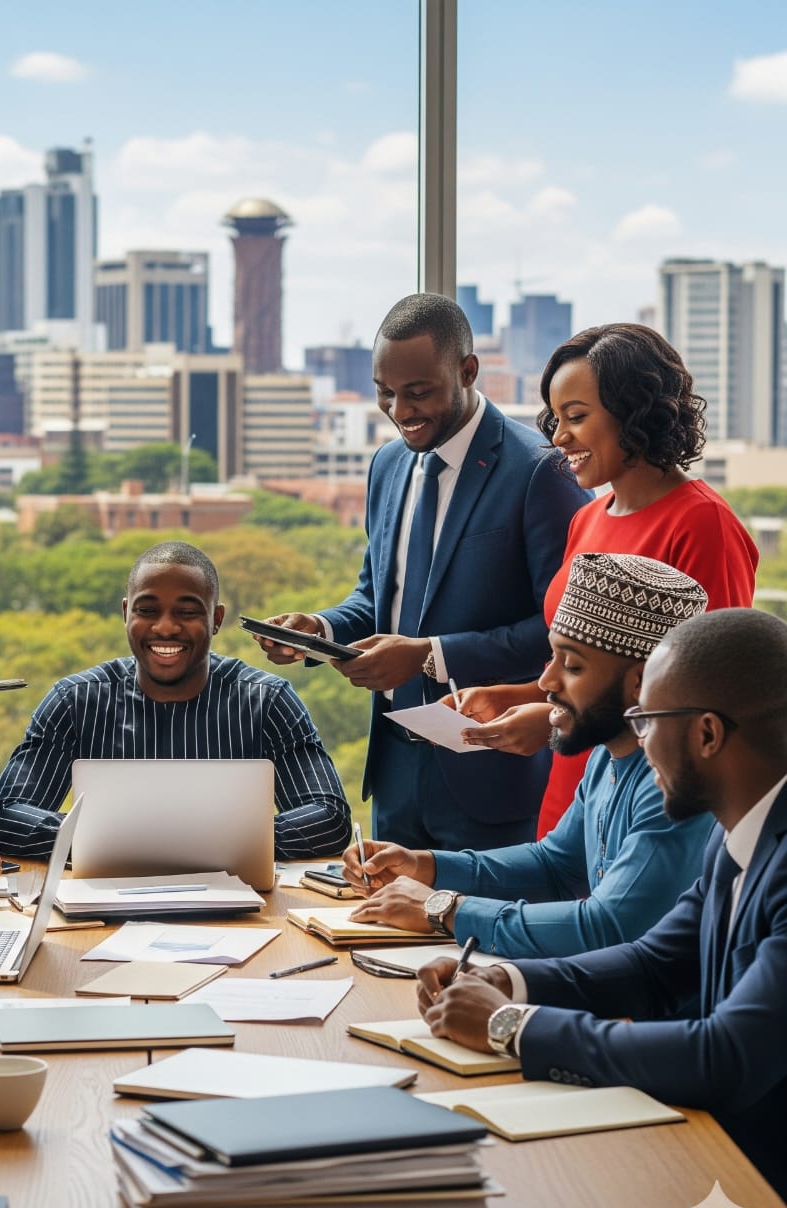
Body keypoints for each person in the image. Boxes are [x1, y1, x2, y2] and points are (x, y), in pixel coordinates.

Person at [416, 608, 787, 1200]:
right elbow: (654, 964)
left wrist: (512, 1025)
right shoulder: (733, 835)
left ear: (707, 735)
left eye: (646, 720)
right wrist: (507, 980)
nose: (638, 741)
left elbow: (727, 1056)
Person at [258, 293, 588, 850]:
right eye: (384, 392)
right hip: (395, 773)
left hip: (491, 774)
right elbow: (377, 597)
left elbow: (561, 632)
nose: (399, 410)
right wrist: (321, 630)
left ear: (468, 371)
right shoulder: (387, 465)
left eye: (417, 392)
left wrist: (430, 655)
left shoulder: (540, 471)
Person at [448, 324, 758, 837]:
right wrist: (518, 697)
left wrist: (551, 721)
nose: (558, 437)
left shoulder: (703, 524)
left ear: (634, 411)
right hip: (572, 799)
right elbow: (588, 672)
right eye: (556, 419)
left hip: (651, 811)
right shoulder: (587, 519)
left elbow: (711, 701)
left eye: (576, 417)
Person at [343, 553, 712, 957]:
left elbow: (608, 928)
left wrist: (446, 909)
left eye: (572, 666)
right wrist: (424, 866)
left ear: (641, 682)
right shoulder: (609, 753)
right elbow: (557, 867)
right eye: (552, 658)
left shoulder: (675, 785)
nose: (546, 681)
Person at [0, 541, 351, 861]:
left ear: (216, 618)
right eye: (147, 610)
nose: (165, 627)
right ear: (126, 613)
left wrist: (200, 841)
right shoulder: (75, 700)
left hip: (242, 907)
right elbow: (4, 817)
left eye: (187, 612)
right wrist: (127, 840)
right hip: (106, 906)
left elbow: (330, 818)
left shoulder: (267, 701)